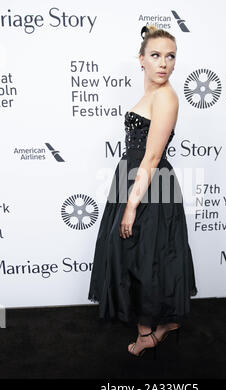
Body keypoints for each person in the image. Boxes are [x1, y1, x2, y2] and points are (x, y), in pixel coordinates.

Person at [88, 24, 198, 358]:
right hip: (132, 179)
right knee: (137, 254)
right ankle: (162, 323)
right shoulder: (150, 94)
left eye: (170, 56)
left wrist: (132, 205)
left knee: (147, 257)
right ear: (142, 60)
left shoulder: (166, 97)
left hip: (151, 186)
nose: (164, 63)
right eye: (156, 55)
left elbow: (152, 156)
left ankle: (148, 333)